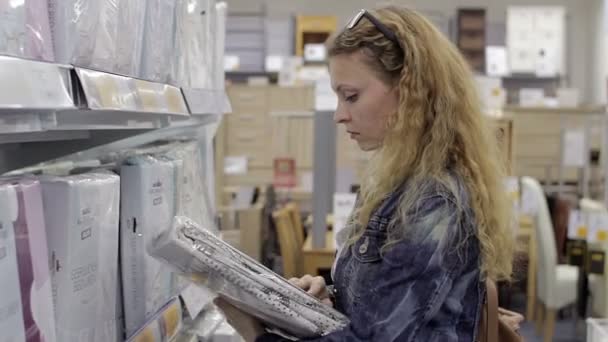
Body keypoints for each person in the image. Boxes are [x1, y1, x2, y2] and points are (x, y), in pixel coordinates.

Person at [216, 5, 521, 341]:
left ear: (408, 90)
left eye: (351, 96)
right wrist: (327, 297)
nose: (339, 115)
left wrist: (257, 334)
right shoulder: (396, 182)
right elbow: (380, 303)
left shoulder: (433, 202)